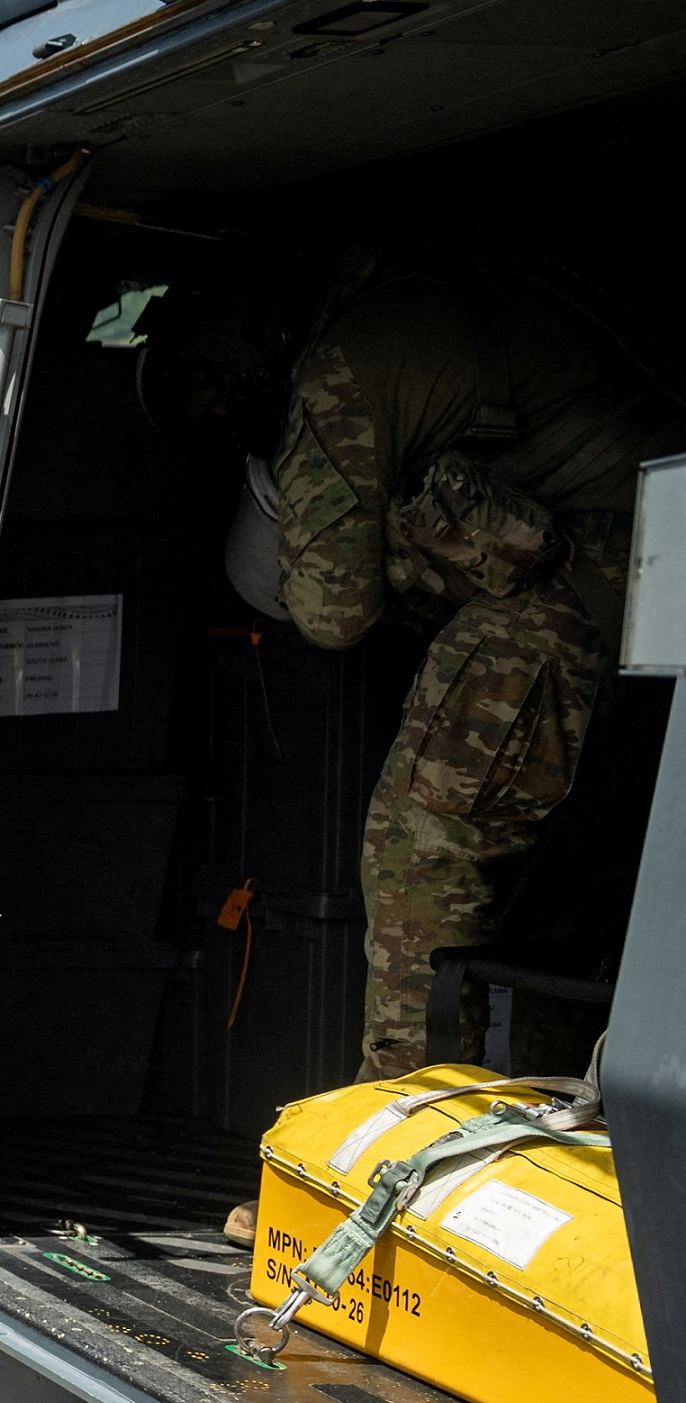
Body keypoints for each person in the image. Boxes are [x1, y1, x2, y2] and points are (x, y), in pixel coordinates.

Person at [240, 266, 678, 1080]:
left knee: (422, 847)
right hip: (652, 564)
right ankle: (547, 1089)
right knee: (575, 871)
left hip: (597, 575)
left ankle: (404, 1128)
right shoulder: (476, 292)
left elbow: (331, 612)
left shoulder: (341, 364)